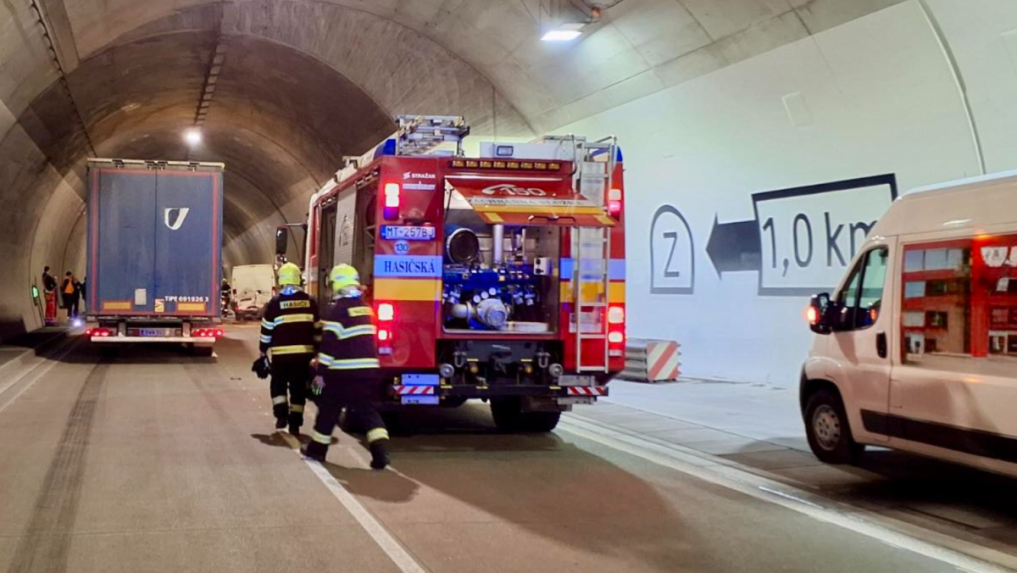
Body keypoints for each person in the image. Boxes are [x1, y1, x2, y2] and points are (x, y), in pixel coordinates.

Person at [302, 264, 389, 470]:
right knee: (368, 412)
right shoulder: (367, 309)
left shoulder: (338, 311)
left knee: (328, 411)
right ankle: (380, 452)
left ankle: (317, 451)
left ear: (336, 284)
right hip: (368, 373)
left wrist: (320, 373)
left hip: (342, 374)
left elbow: (329, 346)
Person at [258, 263, 320, 435]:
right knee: (298, 389)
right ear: (298, 279)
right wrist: (317, 352)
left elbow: (266, 330)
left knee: (278, 385)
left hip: (281, 357)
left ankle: (281, 416)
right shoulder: (310, 302)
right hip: (303, 357)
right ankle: (295, 424)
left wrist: (263, 351)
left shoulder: (275, 303)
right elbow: (317, 330)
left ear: (281, 280)